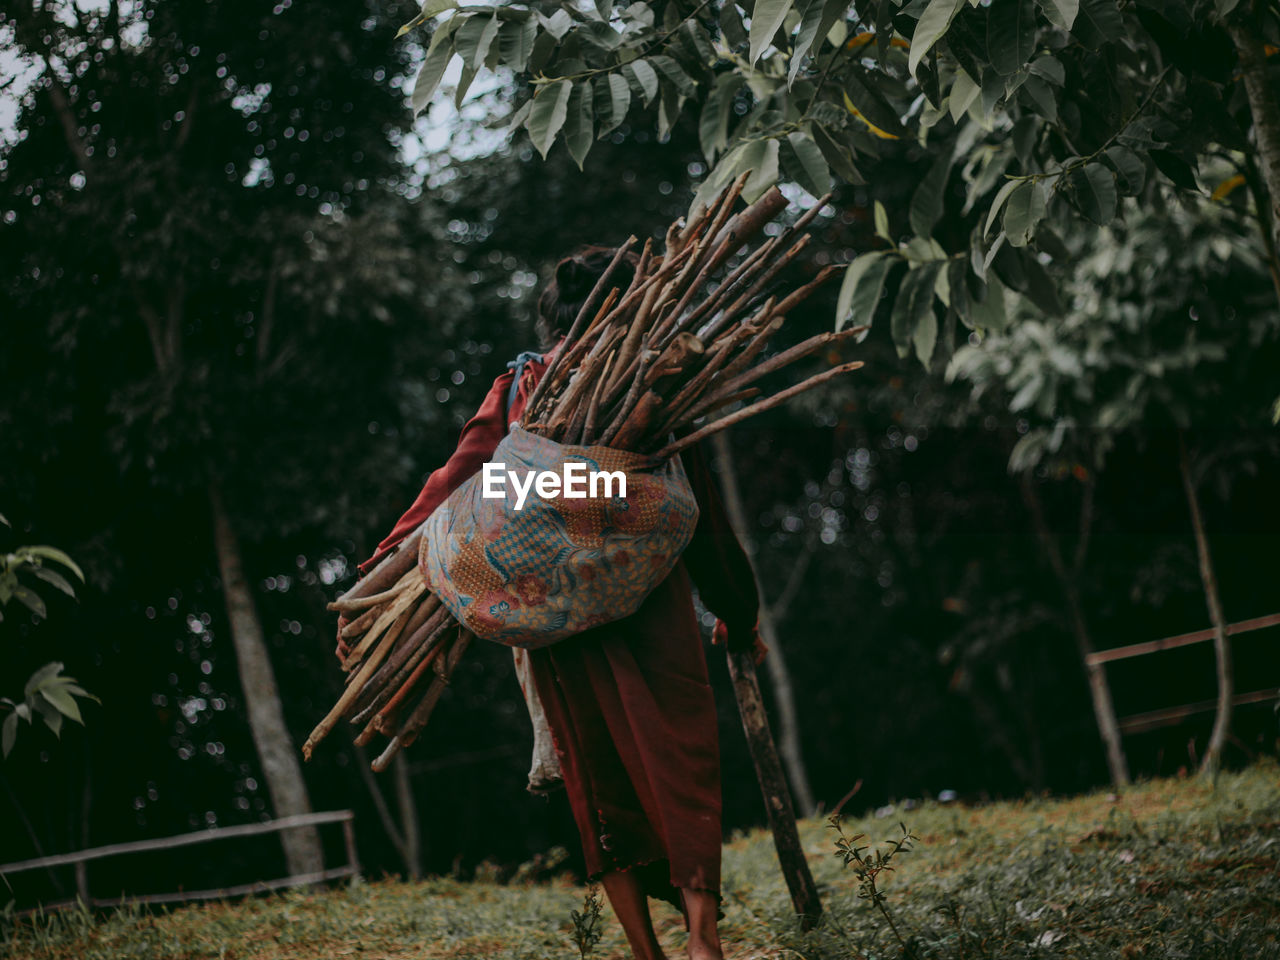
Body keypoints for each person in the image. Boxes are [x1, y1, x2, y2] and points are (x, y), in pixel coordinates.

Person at [338, 245, 766, 960]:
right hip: (649, 601)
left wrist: (389, 558)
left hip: (546, 608)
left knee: (593, 772)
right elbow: (704, 518)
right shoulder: (653, 387)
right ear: (636, 309)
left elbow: (462, 477)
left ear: (553, 317)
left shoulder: (522, 386)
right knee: (676, 759)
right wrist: (739, 613)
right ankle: (702, 939)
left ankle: (645, 951)